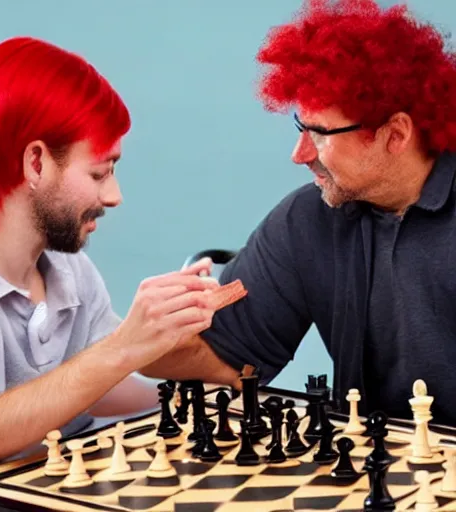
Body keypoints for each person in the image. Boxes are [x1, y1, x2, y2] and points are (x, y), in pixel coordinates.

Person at [141, 0, 456, 428]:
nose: (299, 155)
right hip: (378, 474)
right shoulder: (307, 221)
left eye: (321, 135)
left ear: (395, 134)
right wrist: (149, 335)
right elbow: (226, 362)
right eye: (300, 128)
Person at [0, 37, 219, 474]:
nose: (114, 196)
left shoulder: (66, 264)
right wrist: (127, 344)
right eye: (99, 173)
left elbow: (90, 386)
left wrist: (193, 395)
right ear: (35, 164)